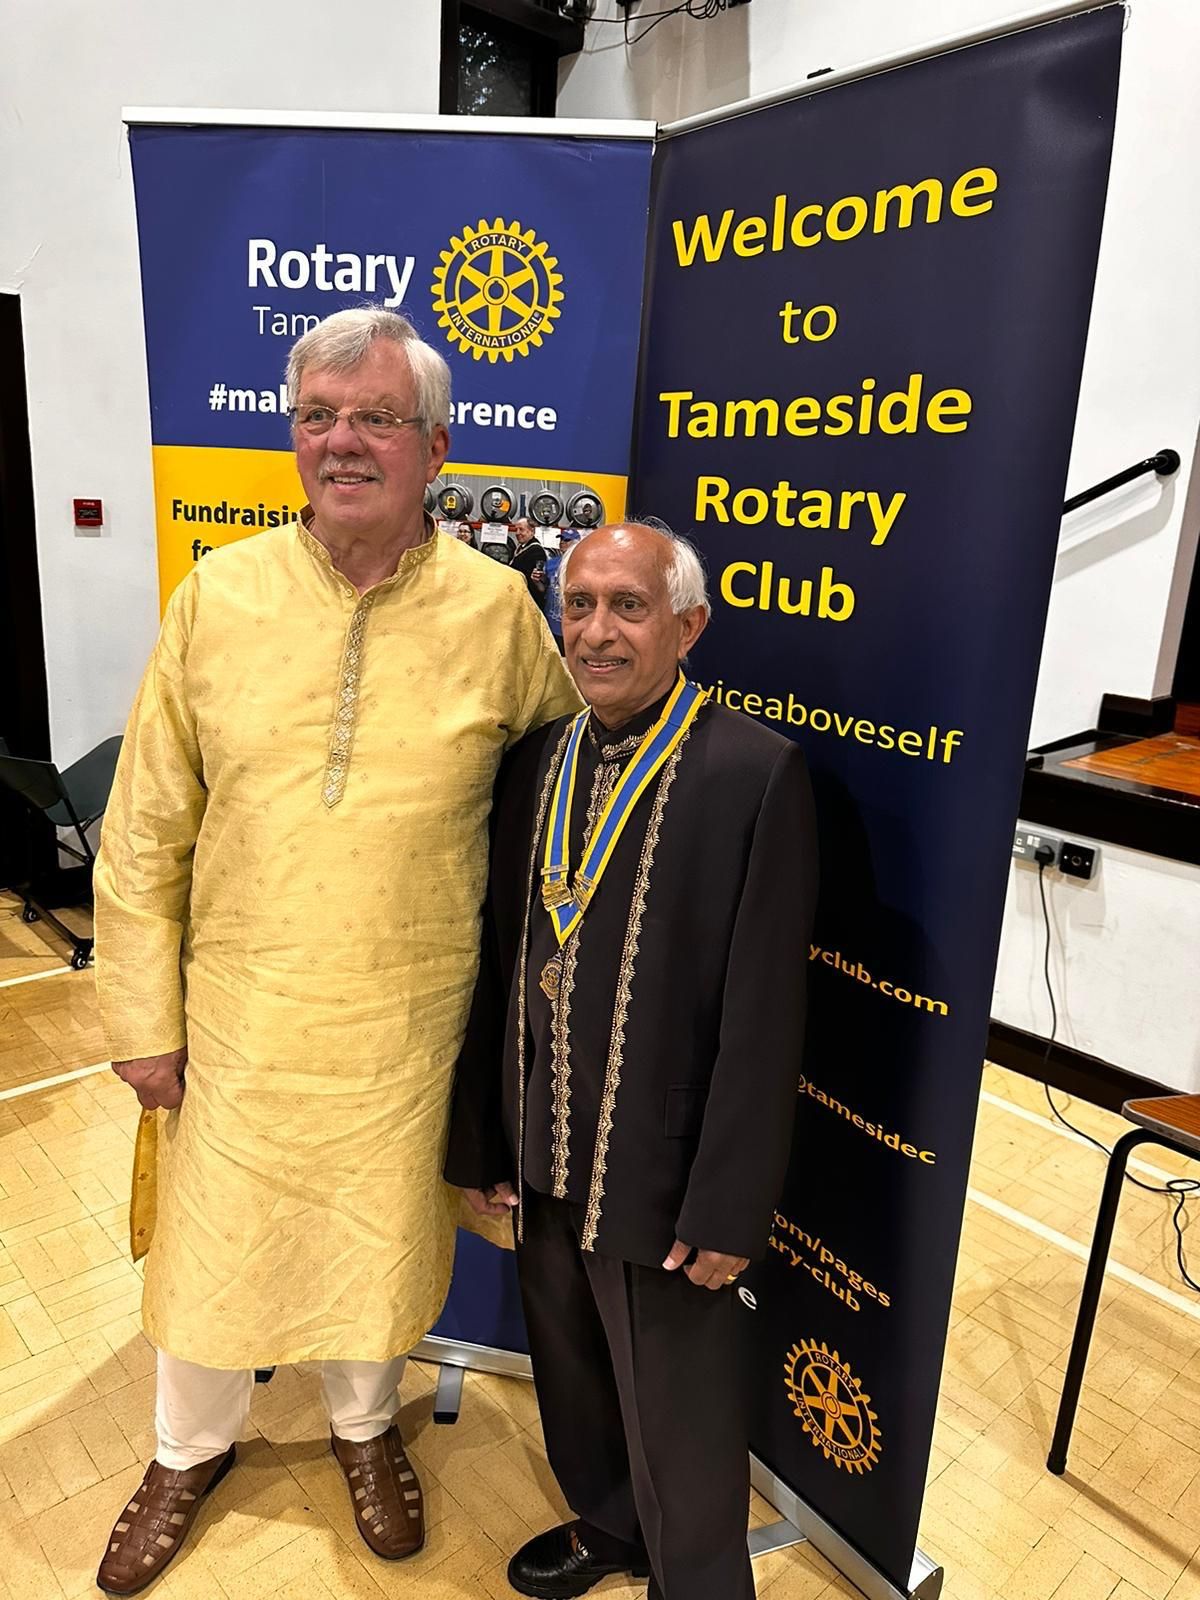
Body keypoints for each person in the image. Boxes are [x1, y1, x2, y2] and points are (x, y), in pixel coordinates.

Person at [92, 307, 579, 1596]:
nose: (342, 441)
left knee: (377, 1243)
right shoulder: (219, 597)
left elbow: (560, 809)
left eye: (374, 417)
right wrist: (142, 1018)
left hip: (408, 1021)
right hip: (239, 1017)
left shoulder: (499, 615)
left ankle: (366, 1429)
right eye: (317, 416)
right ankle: (185, 1452)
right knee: (213, 1251)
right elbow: (144, 828)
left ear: (437, 444)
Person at [445, 523, 818, 1600]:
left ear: (688, 626)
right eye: (580, 605)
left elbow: (765, 1016)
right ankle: (610, 1525)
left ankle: (697, 1583)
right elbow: (499, 958)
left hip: (664, 1167)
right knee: (569, 1365)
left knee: (681, 1409)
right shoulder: (535, 763)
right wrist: (486, 1138)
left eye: (629, 606)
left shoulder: (754, 772)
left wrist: (730, 1204)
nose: (597, 632)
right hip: (541, 1138)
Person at [510, 515, 548, 609]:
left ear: (531, 531)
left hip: (529, 601)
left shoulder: (536, 551)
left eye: (521, 529)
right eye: (516, 529)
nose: (517, 533)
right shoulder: (521, 547)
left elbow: (537, 581)